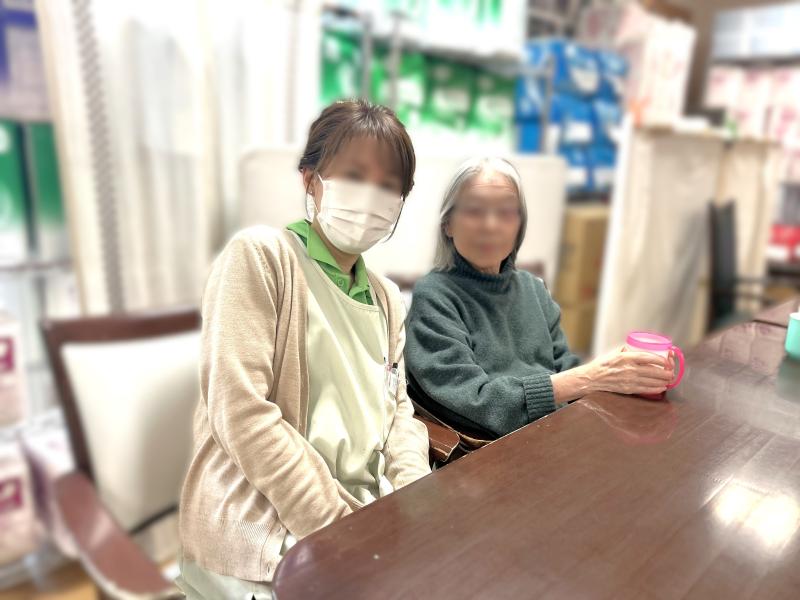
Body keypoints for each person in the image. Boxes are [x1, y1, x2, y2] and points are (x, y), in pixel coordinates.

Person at [177, 100, 431, 599]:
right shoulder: (262, 258)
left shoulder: (385, 298)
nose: (371, 195)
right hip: (265, 523)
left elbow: (398, 411)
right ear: (310, 179)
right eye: (354, 174)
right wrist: (338, 528)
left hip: (363, 515)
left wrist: (414, 498)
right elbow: (242, 412)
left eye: (388, 185)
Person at [405, 157, 675, 439]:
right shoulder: (434, 296)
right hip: (491, 449)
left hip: (554, 432)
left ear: (519, 225)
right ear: (447, 224)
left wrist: (623, 369)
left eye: (505, 212)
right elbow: (477, 401)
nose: (491, 225)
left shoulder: (533, 288)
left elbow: (566, 368)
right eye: (474, 211)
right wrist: (590, 376)